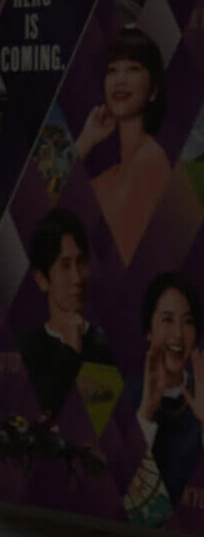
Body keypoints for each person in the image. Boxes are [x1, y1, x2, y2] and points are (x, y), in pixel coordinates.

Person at [72, 27, 169, 263]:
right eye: (112, 70)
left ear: (153, 90)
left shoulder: (151, 162)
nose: (120, 79)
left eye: (133, 69)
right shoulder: (112, 176)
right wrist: (86, 141)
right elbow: (48, 203)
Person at [18, 208, 113, 417]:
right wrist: (70, 351)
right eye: (65, 265)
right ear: (42, 279)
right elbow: (40, 416)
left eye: (81, 263)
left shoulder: (106, 343)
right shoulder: (26, 349)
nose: (77, 278)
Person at [134, 272, 204, 506]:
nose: (178, 334)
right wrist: (145, 412)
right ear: (149, 330)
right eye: (167, 319)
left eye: (188, 321)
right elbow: (113, 488)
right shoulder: (123, 395)